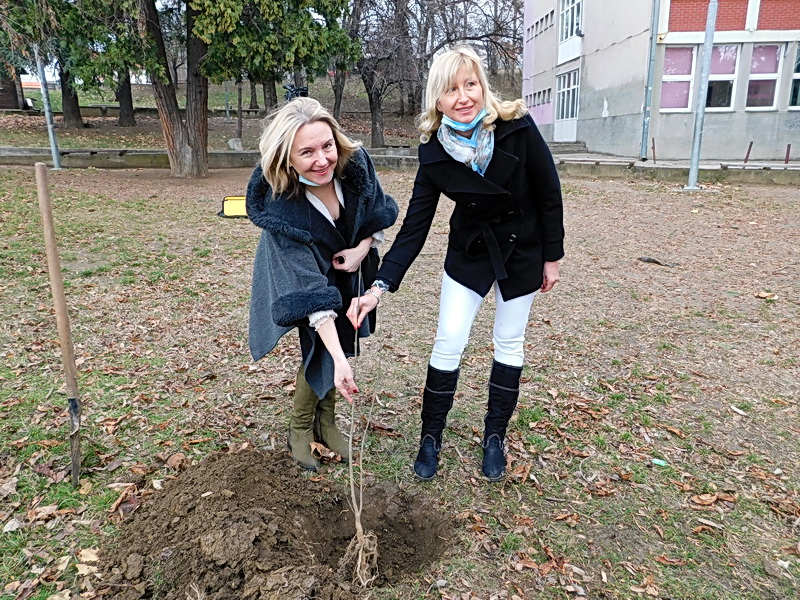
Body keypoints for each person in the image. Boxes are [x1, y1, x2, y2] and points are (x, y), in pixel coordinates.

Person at [347, 46, 564, 482]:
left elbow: (548, 192)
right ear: (437, 100)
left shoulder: (517, 127)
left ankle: (494, 437)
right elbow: (414, 228)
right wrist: (378, 288)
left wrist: (552, 257)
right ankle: (431, 438)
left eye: (471, 84)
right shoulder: (434, 152)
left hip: (523, 251)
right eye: (451, 89)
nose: (464, 96)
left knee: (509, 342)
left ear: (483, 87)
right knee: (448, 340)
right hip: (471, 252)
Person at [247, 98, 398, 472]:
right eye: (307, 152)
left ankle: (325, 422)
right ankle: (300, 428)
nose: (322, 160)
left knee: (343, 338)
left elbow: (378, 213)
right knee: (321, 346)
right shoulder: (280, 206)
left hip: (349, 269)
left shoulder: (356, 167)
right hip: (300, 278)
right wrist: (341, 361)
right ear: (287, 159)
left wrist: (362, 250)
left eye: (327, 146)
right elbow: (314, 298)